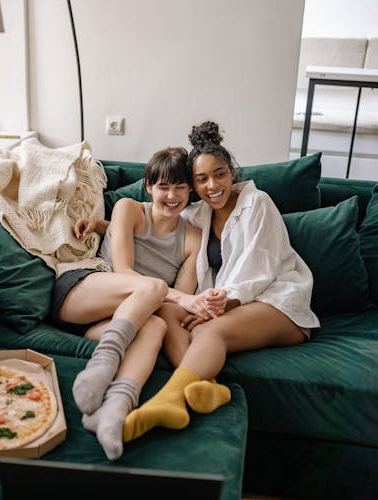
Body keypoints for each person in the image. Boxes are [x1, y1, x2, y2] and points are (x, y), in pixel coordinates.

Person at [123, 121, 321, 442]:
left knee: (209, 328)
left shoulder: (258, 203)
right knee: (167, 312)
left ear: (232, 173)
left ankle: (167, 400)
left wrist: (216, 307)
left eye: (219, 174)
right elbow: (153, 218)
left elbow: (259, 269)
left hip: (279, 304)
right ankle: (211, 389)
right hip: (227, 304)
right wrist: (103, 225)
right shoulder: (197, 214)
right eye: (201, 179)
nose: (212, 185)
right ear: (193, 186)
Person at [52, 147, 224, 460]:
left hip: (115, 324)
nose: (171, 196)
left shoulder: (194, 237)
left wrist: (183, 303)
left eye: (180, 187)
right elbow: (124, 272)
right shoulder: (128, 208)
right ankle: (101, 367)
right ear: (149, 186)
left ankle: (114, 410)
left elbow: (170, 309)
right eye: (163, 187)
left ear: (190, 191)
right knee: (154, 287)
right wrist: (184, 298)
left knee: (157, 323)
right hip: (83, 293)